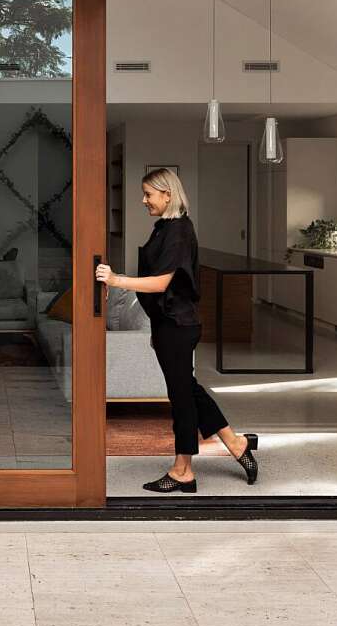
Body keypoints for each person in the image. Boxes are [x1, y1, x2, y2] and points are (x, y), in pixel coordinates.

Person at [96, 166, 259, 493]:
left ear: (167, 194)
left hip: (179, 325)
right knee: (188, 389)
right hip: (169, 325)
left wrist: (115, 280)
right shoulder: (165, 228)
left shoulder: (179, 231)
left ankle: (183, 470)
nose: (144, 200)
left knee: (181, 398)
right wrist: (156, 327)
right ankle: (235, 442)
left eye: (148, 194)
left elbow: (160, 283)